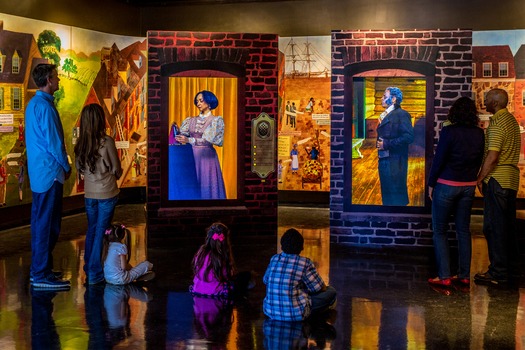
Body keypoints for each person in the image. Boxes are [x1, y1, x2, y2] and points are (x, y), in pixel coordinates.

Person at [427, 97, 485, 287]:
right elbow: (479, 159)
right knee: (463, 231)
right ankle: (464, 275)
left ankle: (444, 276)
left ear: (454, 113)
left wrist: (431, 183)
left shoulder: (449, 131)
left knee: (440, 231)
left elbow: (439, 159)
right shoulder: (479, 133)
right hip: (468, 185)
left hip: (446, 184)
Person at [25, 63, 71, 289]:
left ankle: (40, 270)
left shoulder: (33, 104)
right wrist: (67, 166)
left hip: (39, 174)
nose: (59, 80)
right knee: (48, 226)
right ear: (48, 80)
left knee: (40, 223)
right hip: (50, 174)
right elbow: (55, 144)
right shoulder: (46, 108)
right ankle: (40, 274)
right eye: (56, 77)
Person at [475, 88, 521, 286]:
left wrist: (480, 177)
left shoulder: (497, 124)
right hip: (510, 179)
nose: (483, 100)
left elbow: (493, 156)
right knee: (506, 226)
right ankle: (509, 269)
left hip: (498, 179)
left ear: (494, 102)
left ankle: (497, 272)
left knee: (494, 227)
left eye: (486, 98)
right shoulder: (511, 121)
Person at [74, 103, 123, 285]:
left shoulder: (81, 145)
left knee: (92, 229)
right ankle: (94, 272)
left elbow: (79, 168)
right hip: (107, 193)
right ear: (100, 120)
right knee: (101, 231)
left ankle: (89, 266)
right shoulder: (106, 142)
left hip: (89, 194)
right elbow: (116, 169)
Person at [263, 228, 337, 321]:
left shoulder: (274, 259)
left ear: (281, 246)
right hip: (296, 314)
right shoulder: (305, 262)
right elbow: (319, 288)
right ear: (301, 247)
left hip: (270, 311)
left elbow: (265, 280)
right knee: (331, 291)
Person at [175, 90, 226, 199]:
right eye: (197, 101)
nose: (198, 103)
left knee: (207, 185)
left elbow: (208, 140)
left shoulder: (216, 120)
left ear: (209, 102)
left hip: (207, 158)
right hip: (191, 157)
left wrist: (189, 140)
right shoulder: (191, 120)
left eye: (201, 101)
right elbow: (183, 134)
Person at [190, 222, 252, 299]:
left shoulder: (201, 251)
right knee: (245, 276)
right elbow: (226, 276)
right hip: (216, 292)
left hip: (198, 289)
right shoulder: (221, 256)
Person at [376, 86, 414, 206]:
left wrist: (386, 144)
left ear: (393, 99)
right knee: (387, 193)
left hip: (395, 161)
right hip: (385, 159)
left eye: (384, 96)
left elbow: (408, 137)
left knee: (396, 195)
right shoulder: (386, 114)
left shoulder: (401, 115)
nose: (381, 99)